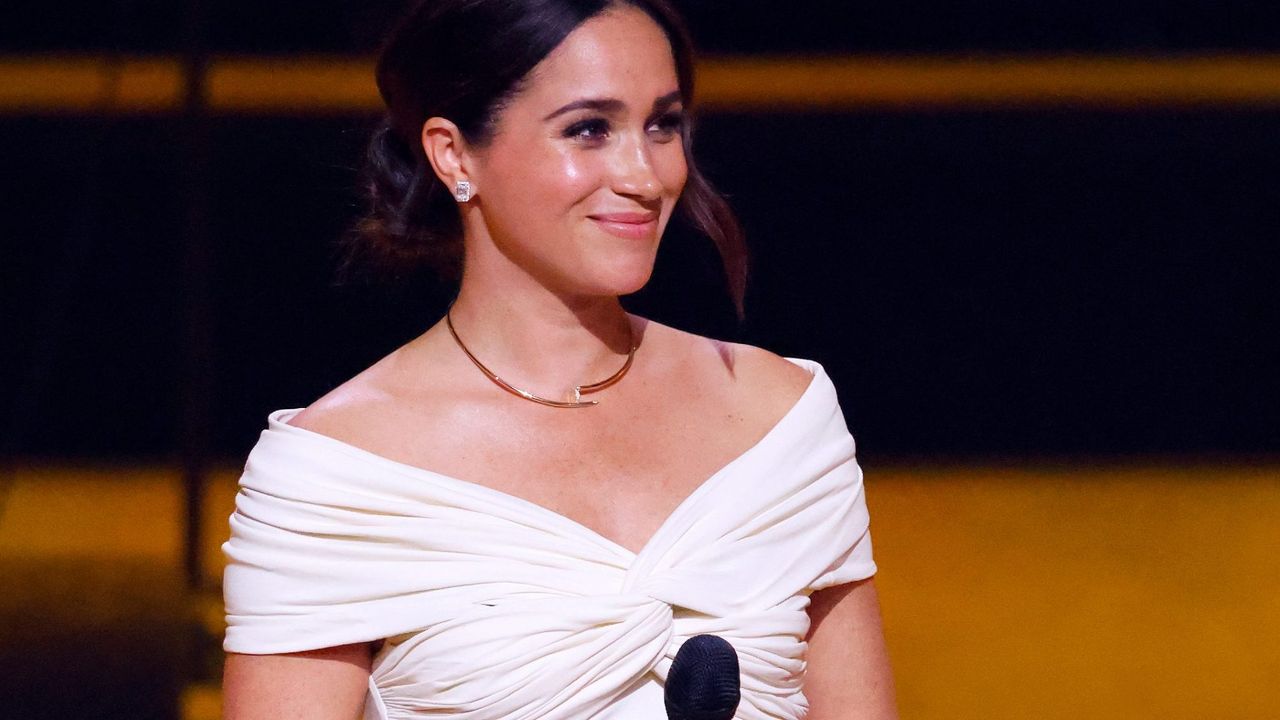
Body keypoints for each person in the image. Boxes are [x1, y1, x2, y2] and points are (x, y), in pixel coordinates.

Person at [220, 0, 897, 718]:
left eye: (663, 124)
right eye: (589, 130)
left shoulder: (781, 418)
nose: (644, 174)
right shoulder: (334, 477)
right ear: (454, 155)